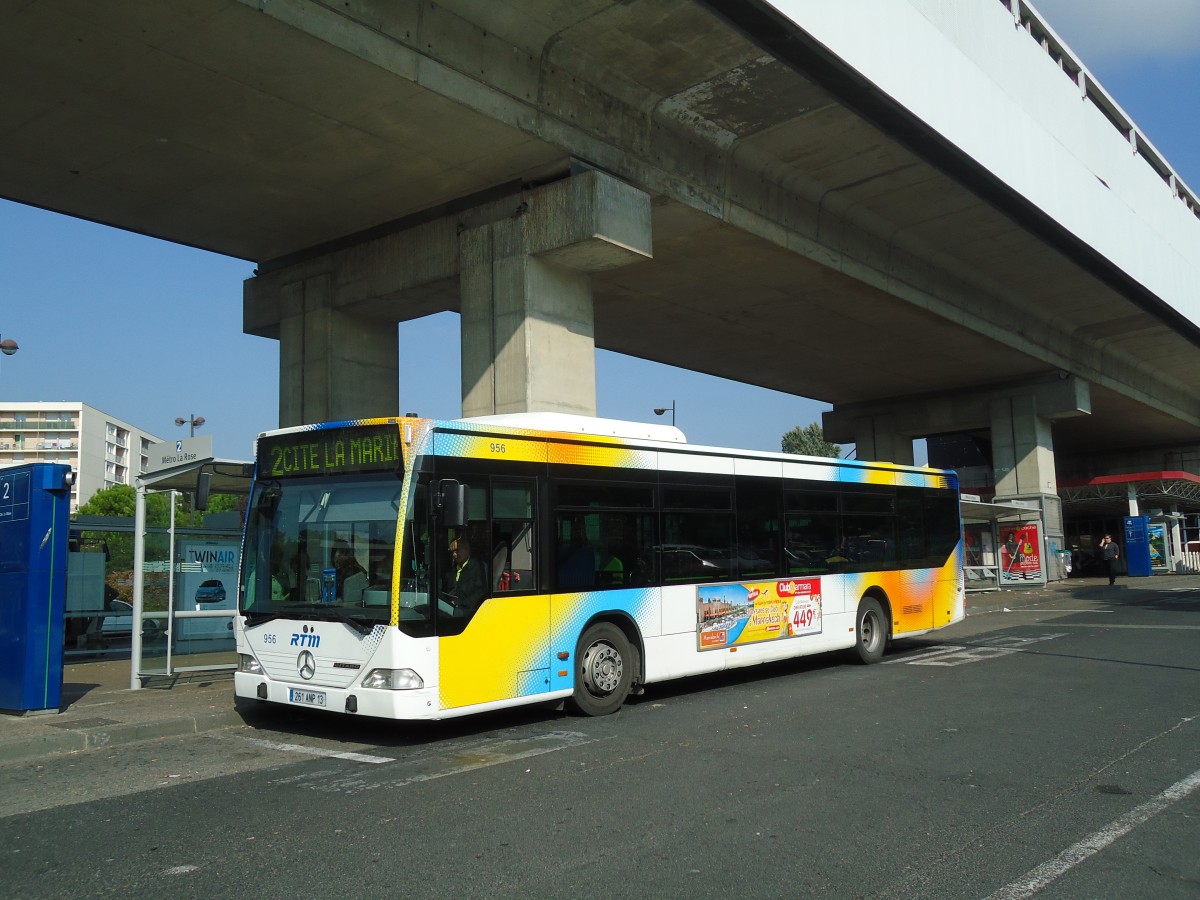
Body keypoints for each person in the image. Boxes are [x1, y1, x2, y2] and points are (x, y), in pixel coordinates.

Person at [446, 531, 488, 613]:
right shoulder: (453, 570)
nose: (454, 555)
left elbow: (480, 595)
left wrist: (458, 603)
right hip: (453, 609)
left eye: (457, 550)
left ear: (467, 548)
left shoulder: (479, 567)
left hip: (470, 612)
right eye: (452, 552)